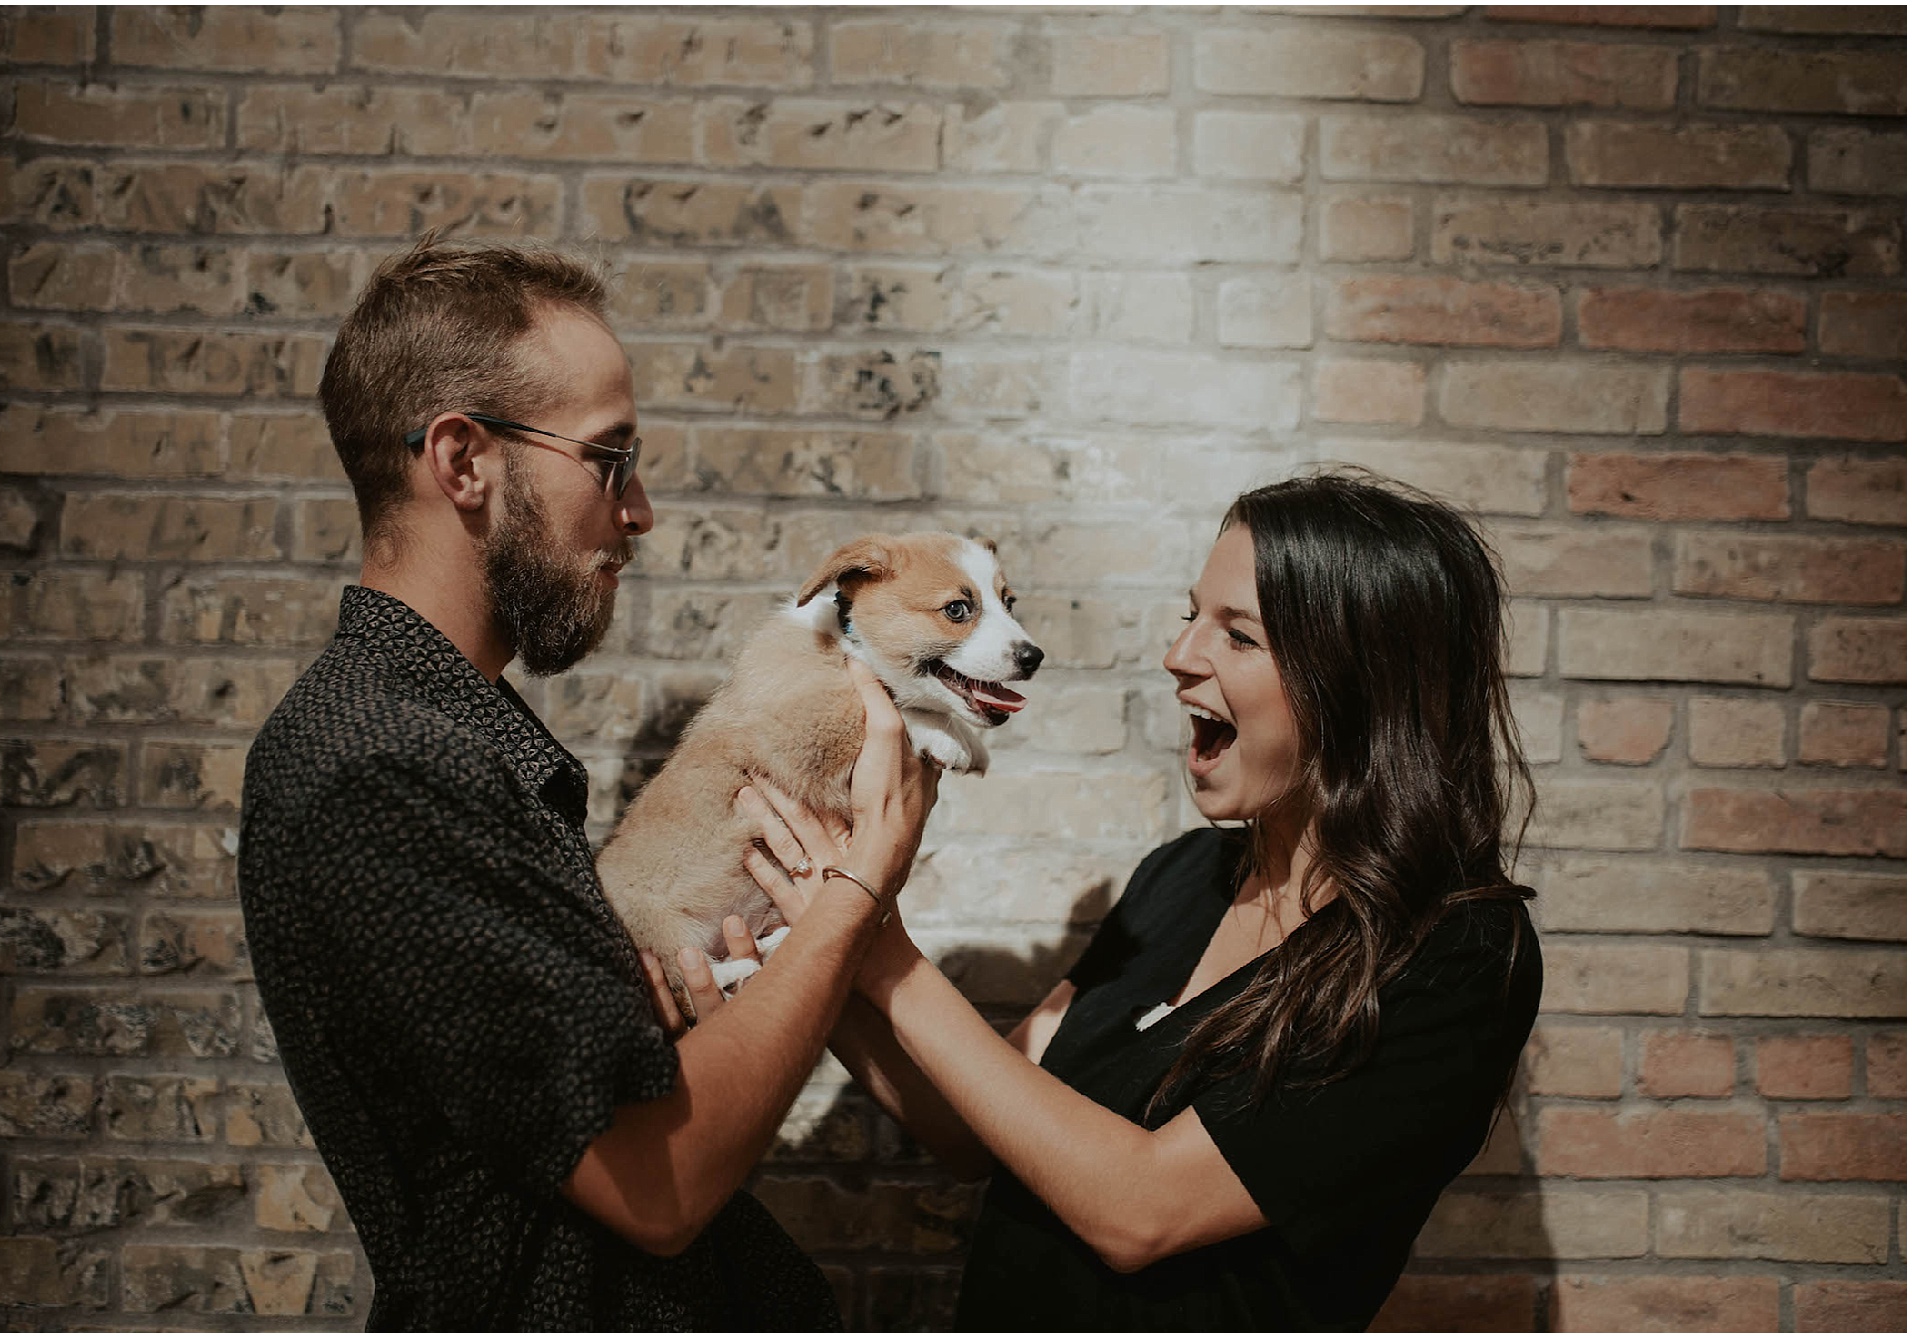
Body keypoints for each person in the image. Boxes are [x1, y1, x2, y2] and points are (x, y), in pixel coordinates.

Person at [237, 238, 937, 1330]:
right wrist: (851, 891)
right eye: (607, 459)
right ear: (464, 463)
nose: (639, 509)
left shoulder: (448, 735)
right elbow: (657, 1187)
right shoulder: (378, 762)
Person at [727, 473, 1543, 1331]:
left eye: (1239, 636)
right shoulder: (1187, 874)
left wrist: (872, 925)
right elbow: (969, 1123)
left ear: (1360, 682)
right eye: (1194, 616)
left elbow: (1141, 1211)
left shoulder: (1457, 955)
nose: (1180, 654)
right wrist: (811, 930)